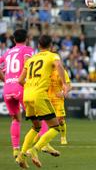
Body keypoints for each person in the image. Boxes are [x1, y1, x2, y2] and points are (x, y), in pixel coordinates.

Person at [16, 35, 68, 168]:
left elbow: (20, 80)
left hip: (27, 94)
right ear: (51, 46)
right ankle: (35, 149)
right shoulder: (52, 56)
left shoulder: (31, 59)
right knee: (55, 127)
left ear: (38, 45)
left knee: (36, 127)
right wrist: (64, 85)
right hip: (39, 95)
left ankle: (21, 156)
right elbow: (59, 66)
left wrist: (31, 87)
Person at [0, 29, 34, 158]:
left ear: (14, 40)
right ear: (27, 39)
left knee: (16, 119)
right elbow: (26, 63)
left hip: (8, 89)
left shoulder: (8, 52)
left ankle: (15, 150)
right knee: (37, 117)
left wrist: (6, 80)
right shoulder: (27, 50)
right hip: (21, 87)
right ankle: (38, 147)